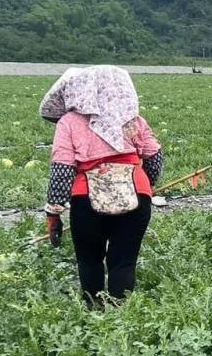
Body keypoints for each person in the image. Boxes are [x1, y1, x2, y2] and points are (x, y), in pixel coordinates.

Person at [39, 66, 164, 306]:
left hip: (87, 199)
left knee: (90, 260)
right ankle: (121, 319)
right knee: (124, 261)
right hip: (135, 196)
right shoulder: (133, 119)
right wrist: (146, 186)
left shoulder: (69, 122)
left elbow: (62, 169)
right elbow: (154, 157)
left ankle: (94, 314)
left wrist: (53, 214)